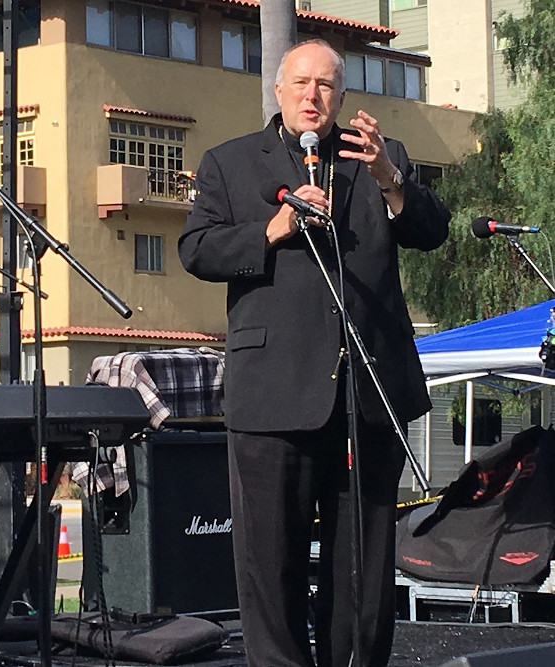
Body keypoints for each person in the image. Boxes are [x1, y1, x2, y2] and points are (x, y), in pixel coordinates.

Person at [178, 40, 450, 667]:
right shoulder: (231, 163)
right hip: (272, 393)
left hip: (367, 391)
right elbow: (197, 251)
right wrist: (271, 231)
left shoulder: (380, 160)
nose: (312, 96)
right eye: (301, 83)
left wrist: (388, 177)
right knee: (269, 566)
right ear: (278, 91)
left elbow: (432, 230)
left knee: (365, 573)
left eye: (326, 86)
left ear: (342, 99)